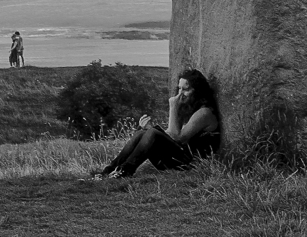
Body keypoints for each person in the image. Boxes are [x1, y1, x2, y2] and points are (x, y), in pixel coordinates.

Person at [90, 68, 220, 179]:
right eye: (179, 89)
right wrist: (150, 128)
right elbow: (170, 135)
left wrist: (173, 107)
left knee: (152, 132)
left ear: (197, 92)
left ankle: (125, 171)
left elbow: (178, 138)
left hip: (191, 164)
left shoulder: (204, 113)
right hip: (178, 158)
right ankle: (109, 170)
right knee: (143, 132)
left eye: (186, 90)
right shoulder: (189, 108)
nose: (180, 94)